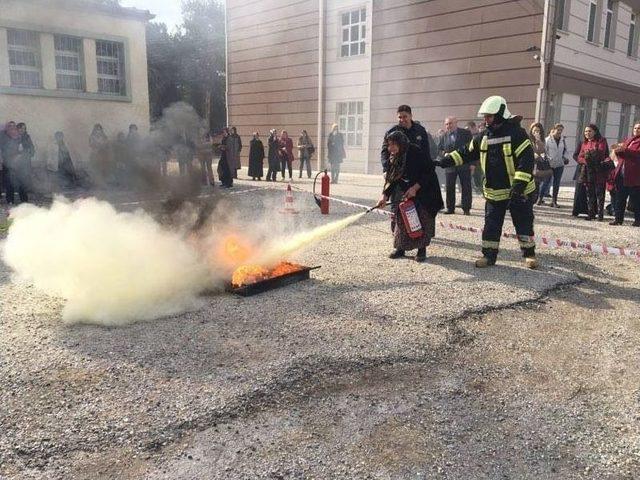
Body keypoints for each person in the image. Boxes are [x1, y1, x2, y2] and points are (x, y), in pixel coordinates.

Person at [434, 96, 538, 269]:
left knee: (523, 223)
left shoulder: (517, 134)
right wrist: (443, 161)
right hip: (494, 191)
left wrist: (518, 187)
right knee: (491, 225)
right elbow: (465, 152)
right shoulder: (483, 136)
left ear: (499, 114)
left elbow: (526, 162)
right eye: (485, 116)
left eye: (489, 116)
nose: (485, 120)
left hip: (519, 191)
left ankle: (529, 254)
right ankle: (488, 256)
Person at [375, 131, 444, 262]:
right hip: (409, 189)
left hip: (426, 191)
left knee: (422, 218)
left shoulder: (415, 152)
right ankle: (401, 248)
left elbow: (428, 172)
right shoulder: (395, 157)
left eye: (394, 145)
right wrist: (384, 196)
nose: (391, 148)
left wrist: (415, 188)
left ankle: (421, 250)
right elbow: (392, 178)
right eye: (389, 145)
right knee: (401, 216)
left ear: (401, 143)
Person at [574, 124, 611, 221]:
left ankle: (600, 214)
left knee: (600, 194)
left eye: (589, 131)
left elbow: (601, 153)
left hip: (599, 171)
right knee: (589, 193)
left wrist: (588, 155)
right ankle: (591, 213)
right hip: (587, 171)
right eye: (586, 131)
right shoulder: (584, 143)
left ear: (595, 131)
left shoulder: (601, 140)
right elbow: (579, 157)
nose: (587, 133)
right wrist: (586, 160)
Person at [381, 105, 432, 172]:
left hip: (416, 171)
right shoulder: (391, 132)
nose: (402, 120)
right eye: (400, 117)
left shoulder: (420, 130)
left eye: (405, 117)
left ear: (410, 116)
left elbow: (426, 153)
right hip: (397, 171)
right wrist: (386, 168)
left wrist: (424, 176)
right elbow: (385, 152)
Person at [437, 117, 473, 215]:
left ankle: (466, 208)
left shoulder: (465, 133)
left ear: (456, 123)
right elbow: (439, 149)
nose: (448, 126)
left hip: (464, 164)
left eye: (450, 123)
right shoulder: (443, 136)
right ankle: (450, 208)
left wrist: (473, 164)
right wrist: (443, 154)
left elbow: (472, 149)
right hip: (450, 166)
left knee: (466, 187)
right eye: (447, 124)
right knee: (449, 187)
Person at [609, 122, 640, 226]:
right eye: (635, 128)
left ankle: (638, 220)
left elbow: (637, 154)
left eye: (639, 128)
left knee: (636, 199)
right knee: (620, 198)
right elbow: (623, 155)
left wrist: (624, 149)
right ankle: (618, 219)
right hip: (622, 174)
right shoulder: (629, 140)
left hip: (634, 175)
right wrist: (617, 150)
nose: (636, 130)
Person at [542, 124, 570, 208]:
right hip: (549, 163)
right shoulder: (547, 140)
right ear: (553, 130)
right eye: (558, 130)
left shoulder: (562, 140)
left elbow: (565, 150)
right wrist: (545, 159)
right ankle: (540, 198)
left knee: (556, 183)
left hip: (559, 164)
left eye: (561, 130)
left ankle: (554, 201)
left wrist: (565, 158)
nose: (559, 132)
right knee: (546, 181)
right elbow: (544, 151)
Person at [528, 122, 551, 206]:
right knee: (530, 187)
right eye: (535, 131)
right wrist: (533, 155)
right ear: (531, 131)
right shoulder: (528, 140)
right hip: (529, 166)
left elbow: (543, 153)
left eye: (538, 131)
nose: (536, 133)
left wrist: (538, 141)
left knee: (536, 186)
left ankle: (533, 201)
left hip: (538, 167)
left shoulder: (542, 141)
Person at [0, 122, 22, 204]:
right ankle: (10, 200)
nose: (12, 128)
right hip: (7, 163)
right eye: (10, 126)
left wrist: (19, 156)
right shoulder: (3, 136)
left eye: (13, 126)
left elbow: (20, 149)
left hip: (16, 163)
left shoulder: (18, 136)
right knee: (8, 181)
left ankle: (22, 199)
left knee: (17, 181)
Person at [16, 122, 34, 202]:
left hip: (25, 163)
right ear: (18, 129)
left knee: (25, 181)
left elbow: (32, 149)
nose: (23, 130)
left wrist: (27, 153)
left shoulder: (27, 137)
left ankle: (24, 199)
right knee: (20, 181)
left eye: (24, 128)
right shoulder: (15, 137)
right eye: (21, 128)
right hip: (16, 164)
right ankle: (23, 199)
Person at [466, 121, 484, 193]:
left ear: (473, 127)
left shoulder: (479, 136)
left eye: (468, 129)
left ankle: (481, 190)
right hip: (472, 161)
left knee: (479, 177)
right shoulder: (469, 137)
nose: (467, 131)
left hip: (479, 161)